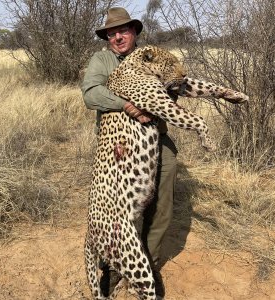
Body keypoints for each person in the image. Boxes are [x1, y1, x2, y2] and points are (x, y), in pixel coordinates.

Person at [81, 7, 178, 298]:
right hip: (120, 144)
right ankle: (112, 266)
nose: (117, 37)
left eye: (123, 30)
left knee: (161, 205)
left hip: (156, 138)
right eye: (111, 33)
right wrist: (125, 104)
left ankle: (150, 265)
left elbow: (172, 88)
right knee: (118, 210)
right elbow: (91, 94)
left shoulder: (153, 57)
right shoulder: (103, 59)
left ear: (134, 32)